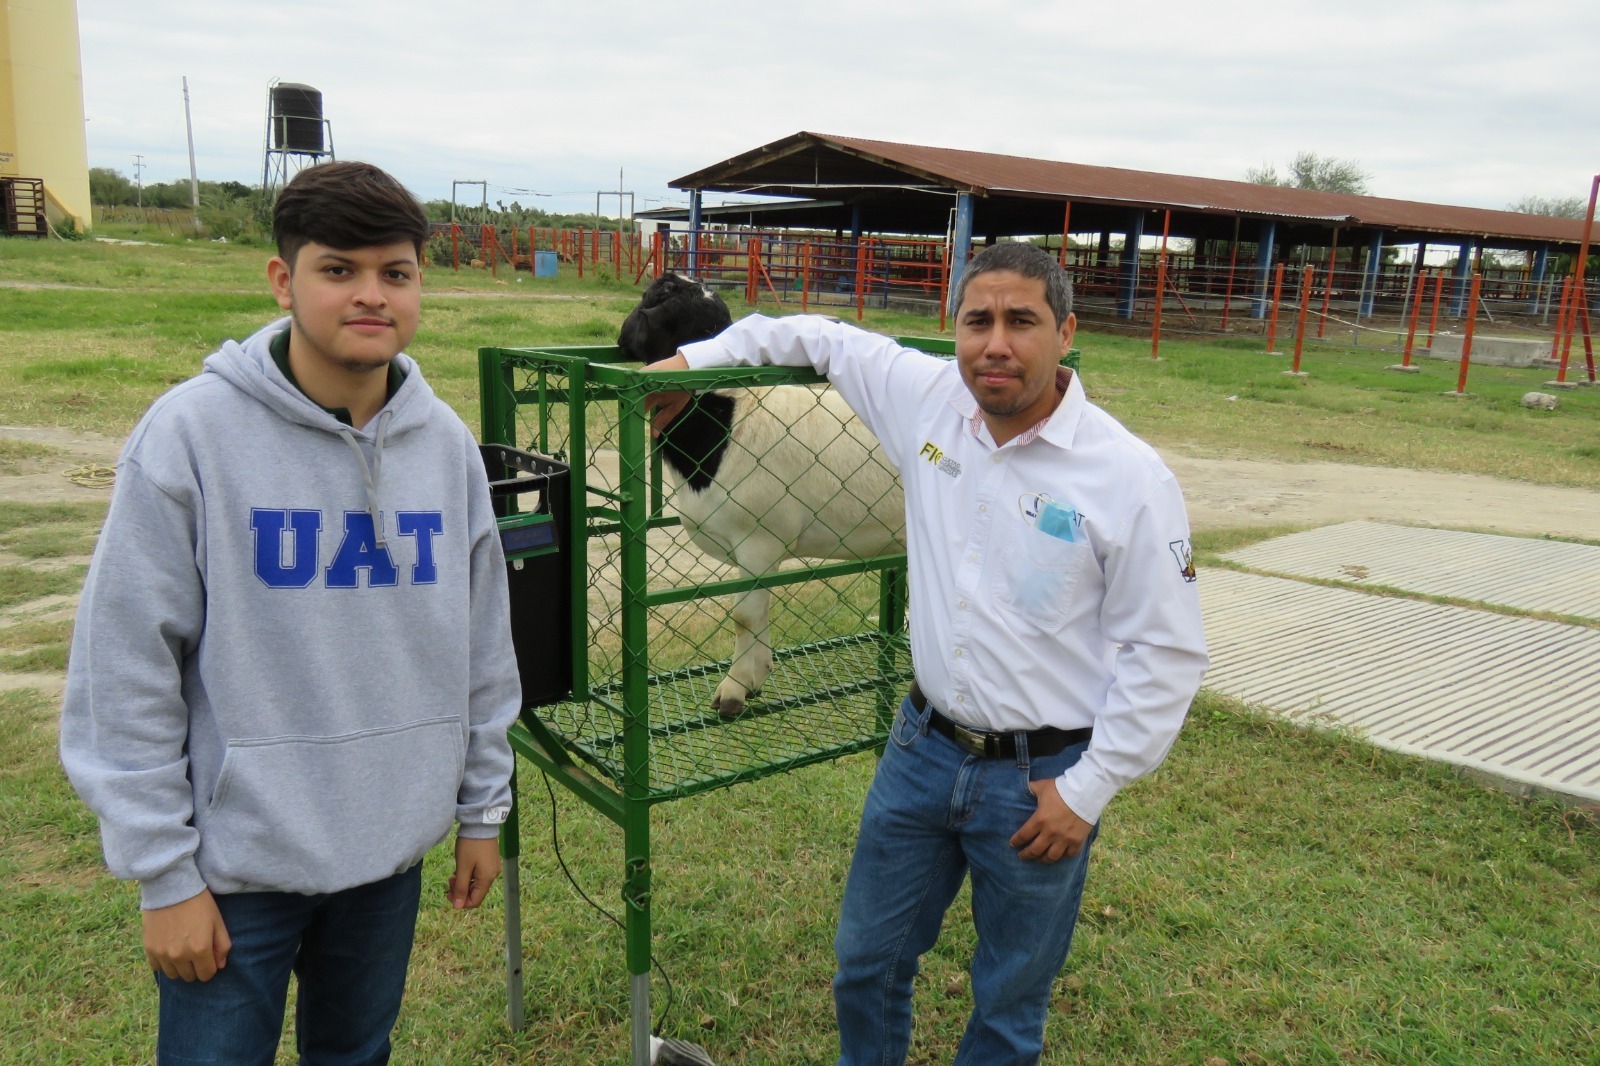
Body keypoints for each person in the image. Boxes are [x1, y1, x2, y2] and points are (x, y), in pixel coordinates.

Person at [645, 242, 1208, 1065]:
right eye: (977, 321)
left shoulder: (1127, 478)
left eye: (1023, 321)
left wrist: (1089, 790)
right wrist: (688, 362)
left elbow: (1168, 653)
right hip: (921, 751)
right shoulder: (928, 399)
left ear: (1066, 333)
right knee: (866, 966)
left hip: (1039, 781)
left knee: (1009, 1004)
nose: (996, 344)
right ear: (956, 329)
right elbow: (812, 335)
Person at [59, 160, 522, 1065]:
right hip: (234, 871)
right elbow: (125, 664)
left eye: (396, 272)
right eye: (338, 268)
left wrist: (479, 812)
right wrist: (163, 875)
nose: (371, 295)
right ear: (283, 279)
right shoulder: (190, 437)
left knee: (355, 1056)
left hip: (386, 858)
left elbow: (482, 648)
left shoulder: (448, 449)